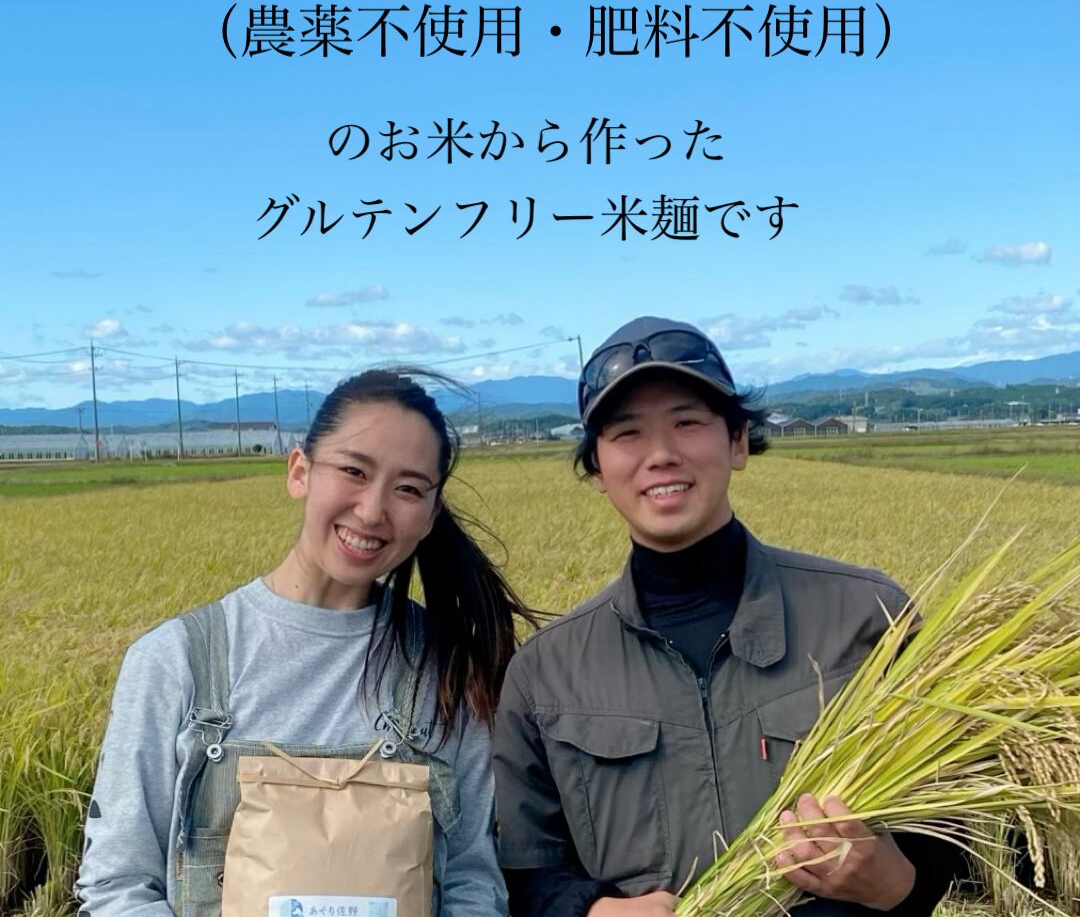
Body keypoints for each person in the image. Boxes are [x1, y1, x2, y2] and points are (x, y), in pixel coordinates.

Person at [493, 317, 960, 917]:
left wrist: (900, 884)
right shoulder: (545, 674)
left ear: (738, 442)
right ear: (597, 471)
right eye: (627, 433)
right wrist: (591, 910)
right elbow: (524, 872)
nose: (661, 455)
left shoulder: (869, 618)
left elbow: (964, 822)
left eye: (687, 423)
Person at [77, 368, 535, 917]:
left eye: (408, 489)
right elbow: (117, 885)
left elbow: (472, 880)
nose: (372, 510)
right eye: (354, 471)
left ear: (432, 514)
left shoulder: (450, 668)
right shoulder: (176, 661)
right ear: (300, 471)